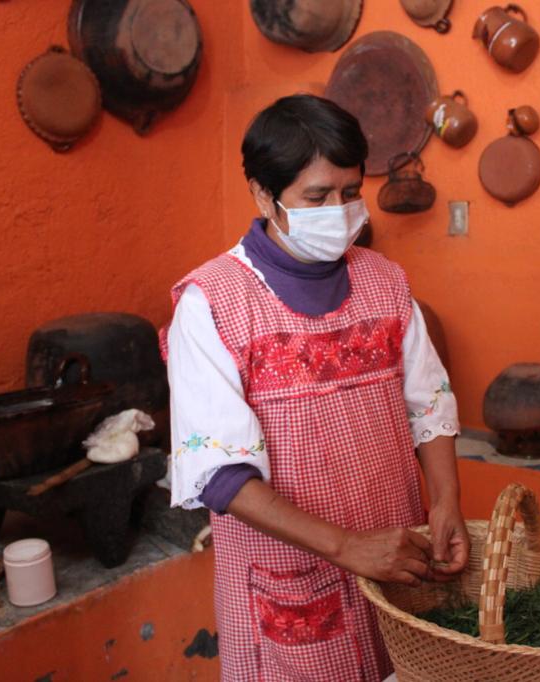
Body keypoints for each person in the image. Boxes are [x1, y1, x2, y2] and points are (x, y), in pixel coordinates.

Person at [161, 94, 468, 681]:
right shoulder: (214, 303)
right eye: (317, 197)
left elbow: (428, 403)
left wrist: (445, 500)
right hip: (291, 577)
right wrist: (348, 547)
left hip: (399, 559)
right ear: (261, 194)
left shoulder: (384, 281)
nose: (341, 209)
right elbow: (221, 474)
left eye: (351, 192)